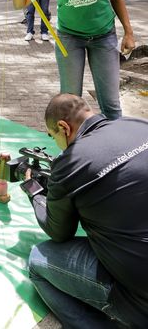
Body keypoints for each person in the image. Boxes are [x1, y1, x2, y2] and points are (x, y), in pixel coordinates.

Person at [22, 93, 148, 328]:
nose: (56, 145)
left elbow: (58, 232)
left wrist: (35, 192)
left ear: (63, 127)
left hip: (140, 300)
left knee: (38, 259)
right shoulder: (137, 124)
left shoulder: (70, 162)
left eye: (53, 137)